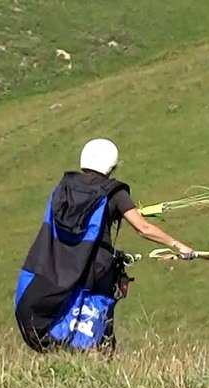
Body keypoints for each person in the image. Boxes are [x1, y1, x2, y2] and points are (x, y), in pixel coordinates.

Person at [14, 138, 195, 355]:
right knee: (98, 331)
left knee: (71, 323)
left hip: (58, 267)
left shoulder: (62, 189)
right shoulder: (115, 193)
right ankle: (96, 363)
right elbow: (143, 228)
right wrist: (178, 245)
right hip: (94, 273)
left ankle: (69, 356)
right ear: (111, 165)